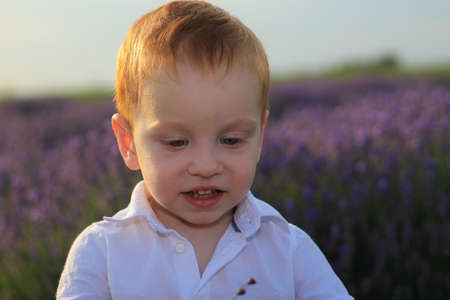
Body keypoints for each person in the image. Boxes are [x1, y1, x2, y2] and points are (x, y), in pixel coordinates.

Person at [57, 1, 354, 299]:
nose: (206, 165)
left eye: (232, 140)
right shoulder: (101, 253)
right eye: (176, 142)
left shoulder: (289, 251)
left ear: (260, 137)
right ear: (128, 143)